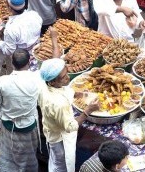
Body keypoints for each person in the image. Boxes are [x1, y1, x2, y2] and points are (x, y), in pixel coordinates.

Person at [39, 30, 100, 171]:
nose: (68, 78)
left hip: (52, 128)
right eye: (64, 77)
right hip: (60, 138)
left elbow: (56, 60)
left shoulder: (46, 83)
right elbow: (71, 126)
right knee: (62, 163)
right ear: (53, 82)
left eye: (67, 74)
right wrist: (87, 111)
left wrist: (79, 94)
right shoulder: (57, 103)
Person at [0, 49, 42, 171]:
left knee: (9, 153)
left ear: (12, 63)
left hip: (9, 126)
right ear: (29, 62)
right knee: (29, 155)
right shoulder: (37, 78)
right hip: (29, 126)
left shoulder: (2, 81)